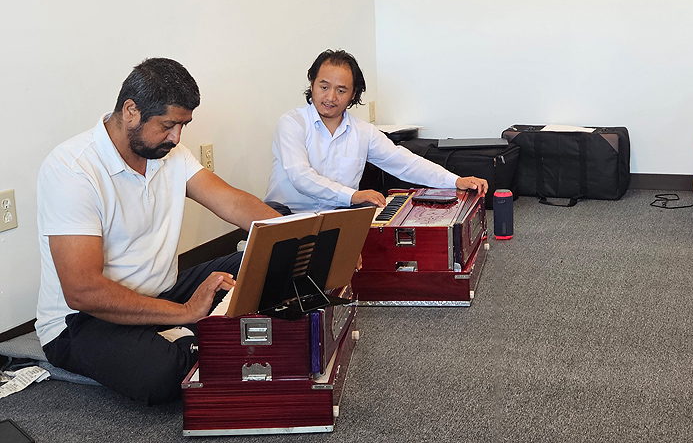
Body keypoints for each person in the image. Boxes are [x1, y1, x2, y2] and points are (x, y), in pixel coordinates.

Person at [35, 58, 280, 405]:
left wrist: (305, 237)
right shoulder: (72, 170)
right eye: (168, 125)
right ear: (131, 111)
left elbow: (233, 202)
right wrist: (186, 312)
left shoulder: (170, 154)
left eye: (183, 125)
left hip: (163, 292)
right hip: (83, 320)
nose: (177, 137)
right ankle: (191, 332)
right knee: (162, 375)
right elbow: (82, 291)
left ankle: (190, 336)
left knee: (268, 259)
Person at [264, 49, 488, 214]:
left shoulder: (363, 132)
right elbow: (300, 177)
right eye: (324, 87)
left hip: (337, 215)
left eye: (341, 90)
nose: (330, 97)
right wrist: (353, 195)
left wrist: (455, 180)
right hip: (287, 215)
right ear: (312, 84)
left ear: (353, 94)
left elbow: (405, 163)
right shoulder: (291, 123)